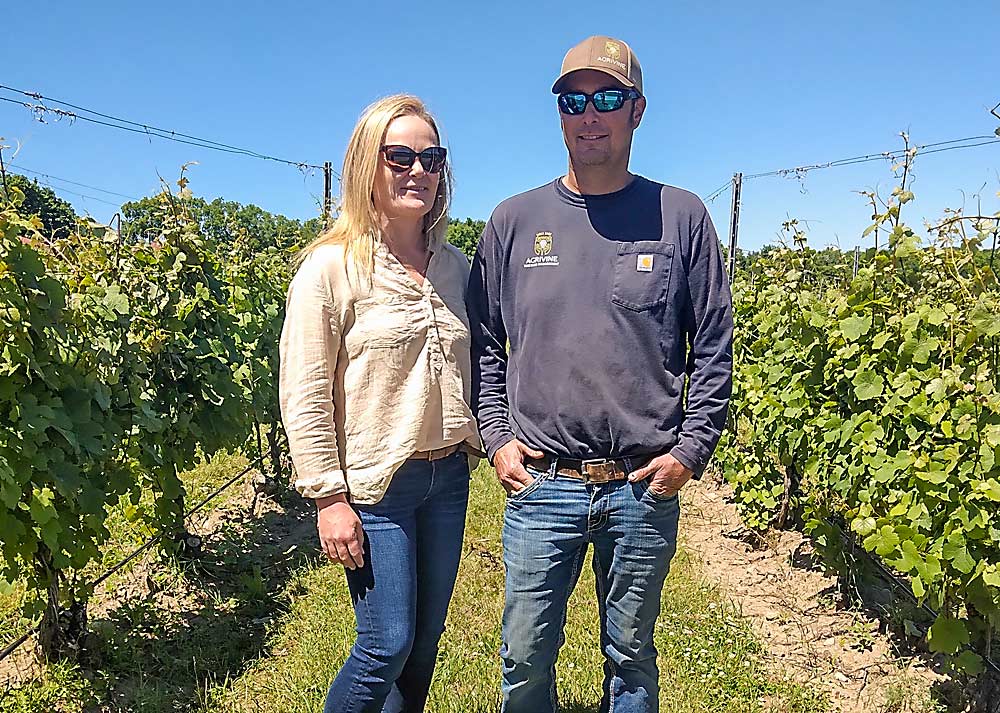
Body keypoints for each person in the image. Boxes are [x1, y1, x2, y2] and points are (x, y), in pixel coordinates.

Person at [467, 36, 734, 712]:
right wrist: (497, 436)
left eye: (607, 98)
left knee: (631, 657)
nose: (590, 114)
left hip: (642, 486)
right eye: (574, 99)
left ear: (636, 111)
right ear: (559, 113)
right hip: (542, 483)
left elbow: (714, 345)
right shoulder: (513, 221)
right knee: (524, 654)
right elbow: (484, 344)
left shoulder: (682, 217)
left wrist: (691, 451)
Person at [279, 94, 480, 713]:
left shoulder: (457, 269)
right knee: (384, 643)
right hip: (374, 485)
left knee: (422, 646)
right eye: (400, 156)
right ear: (368, 164)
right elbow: (306, 391)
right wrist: (328, 497)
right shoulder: (331, 267)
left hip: (447, 477)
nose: (418, 170)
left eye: (431, 157)